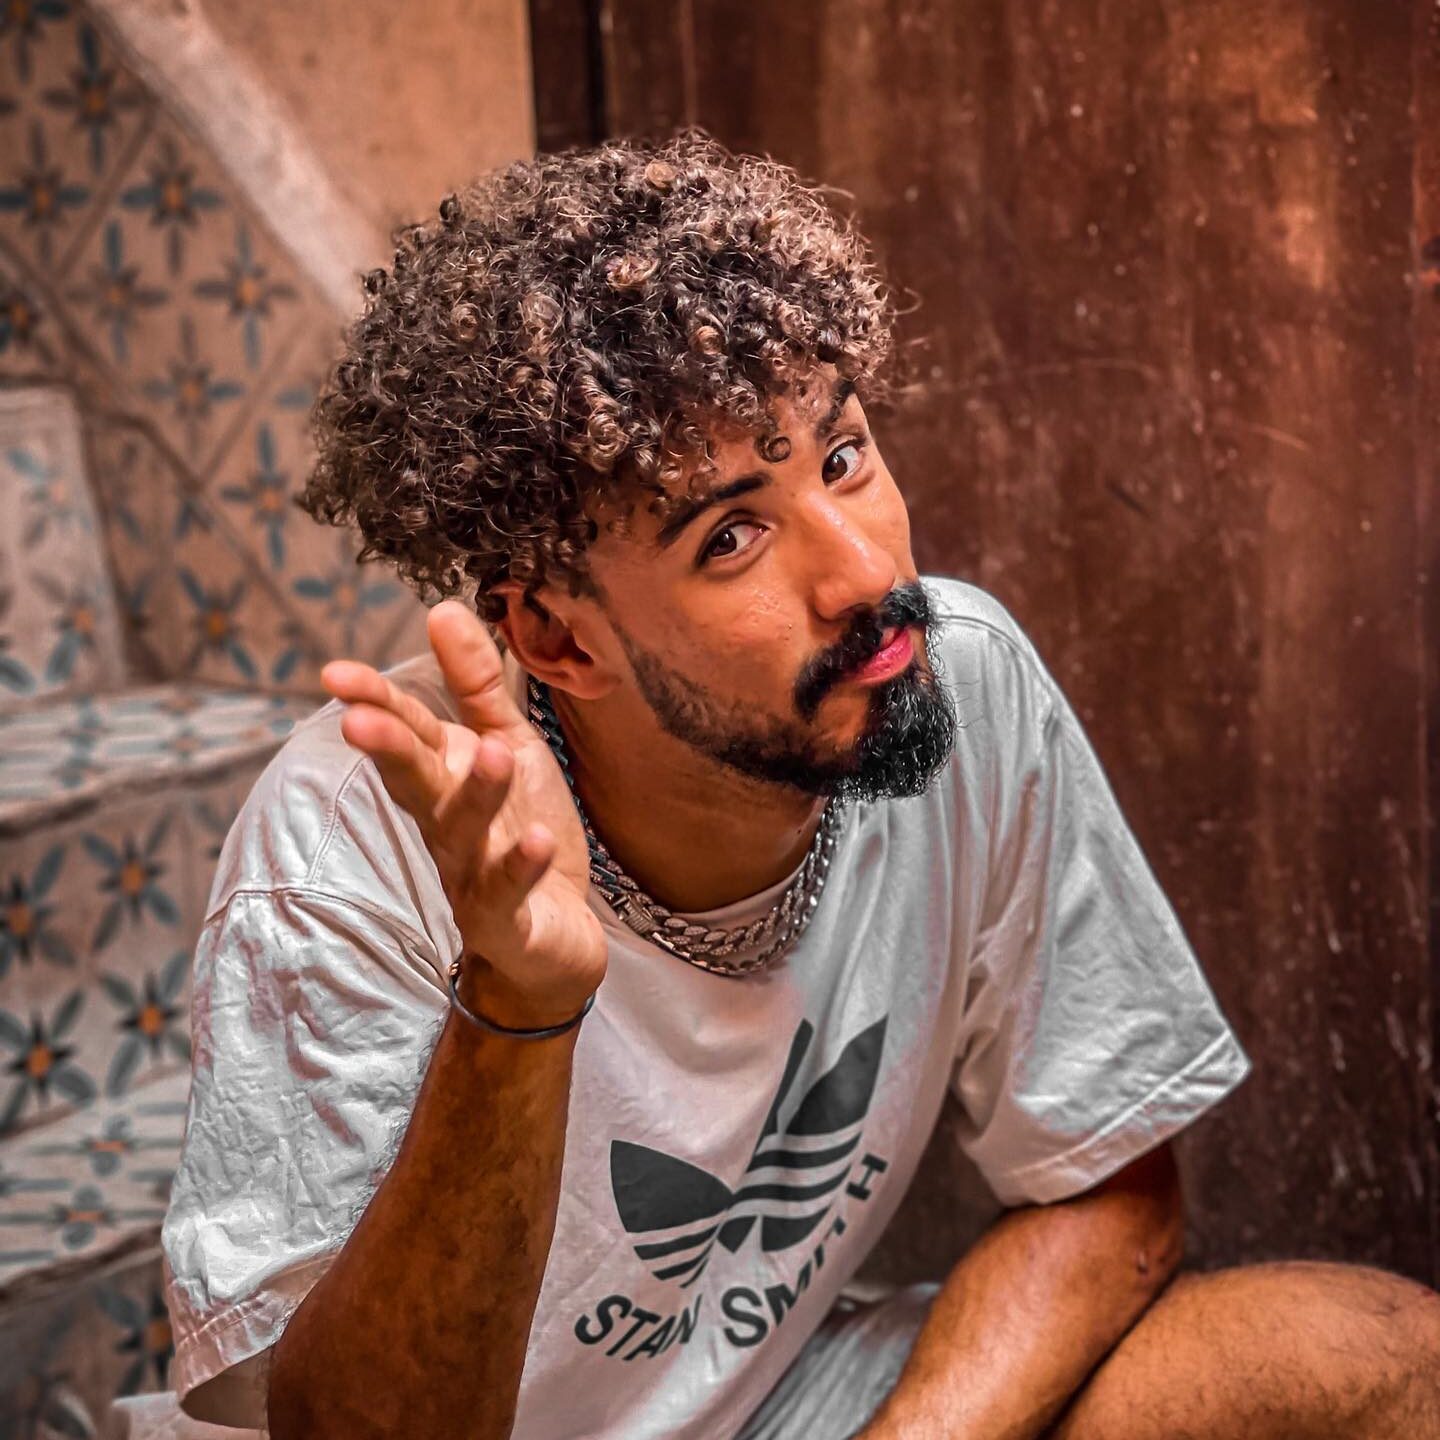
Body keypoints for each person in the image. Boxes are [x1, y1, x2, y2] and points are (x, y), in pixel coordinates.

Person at [160, 129, 1440, 1440]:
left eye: (841, 458)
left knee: (1374, 1360)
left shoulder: (952, 675)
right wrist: (517, 1009)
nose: (866, 575)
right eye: (732, 536)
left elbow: (1110, 1193)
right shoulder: (361, 842)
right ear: (559, 639)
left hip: (790, 1402)